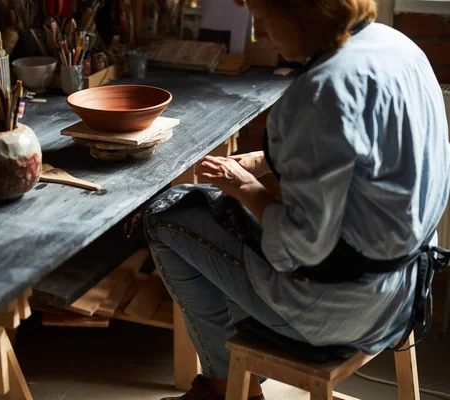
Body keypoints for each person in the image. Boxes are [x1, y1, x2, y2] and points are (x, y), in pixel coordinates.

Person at [143, 0, 450, 399]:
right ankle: (236, 379)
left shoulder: (324, 88)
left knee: (165, 217)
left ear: (304, 12)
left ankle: (226, 389)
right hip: (407, 289)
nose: (258, 31)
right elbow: (356, 155)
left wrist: (243, 187)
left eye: (265, 16)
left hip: (341, 314)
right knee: (227, 220)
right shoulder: (398, 46)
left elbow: (299, 248)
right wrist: (262, 161)